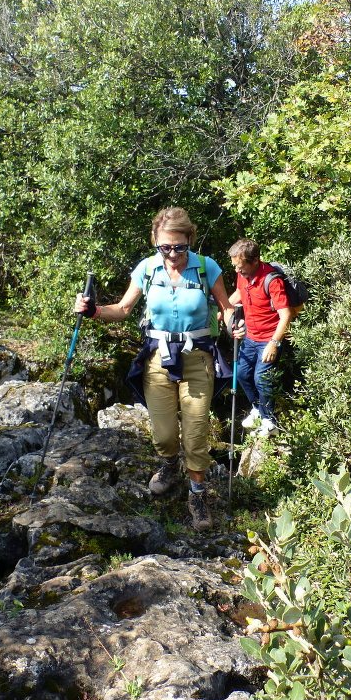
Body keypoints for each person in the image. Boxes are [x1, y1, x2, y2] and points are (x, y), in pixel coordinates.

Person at [75, 207, 236, 531]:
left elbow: (227, 309)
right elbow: (121, 310)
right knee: (163, 434)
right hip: (157, 359)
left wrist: (236, 324)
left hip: (197, 358)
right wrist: (92, 310)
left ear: (189, 240)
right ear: (156, 243)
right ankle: (168, 465)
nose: (173, 254)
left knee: (195, 434)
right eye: (166, 247)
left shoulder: (207, 268)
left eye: (180, 247)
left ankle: (197, 494)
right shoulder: (147, 269)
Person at [227, 239, 292, 437]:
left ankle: (269, 421)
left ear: (255, 261)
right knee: (242, 374)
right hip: (250, 336)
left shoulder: (272, 280)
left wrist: (274, 343)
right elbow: (238, 293)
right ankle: (258, 409)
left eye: (241, 266)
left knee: (261, 379)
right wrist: (222, 309)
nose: (238, 271)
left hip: (268, 339)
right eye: (235, 266)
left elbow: (286, 315)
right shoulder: (242, 275)